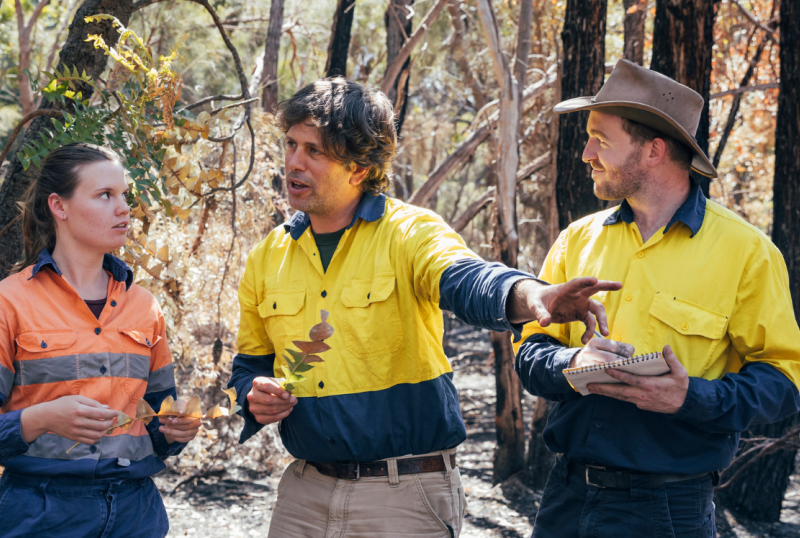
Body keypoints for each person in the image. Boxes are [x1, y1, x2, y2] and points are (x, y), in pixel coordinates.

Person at [227, 78, 620, 538]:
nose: (293, 161)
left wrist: (533, 296)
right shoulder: (267, 256)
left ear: (358, 167)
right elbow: (248, 366)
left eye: (314, 151)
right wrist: (253, 394)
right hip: (302, 495)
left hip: (403, 495)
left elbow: (466, 279)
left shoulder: (409, 233)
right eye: (291, 144)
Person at [515, 59, 800, 538]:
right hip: (565, 501)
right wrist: (572, 363)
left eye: (602, 140)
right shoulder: (577, 241)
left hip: (668, 510)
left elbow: (787, 382)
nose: (586, 152)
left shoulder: (746, 252)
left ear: (654, 150)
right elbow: (529, 354)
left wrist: (691, 397)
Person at [0, 143, 201, 537]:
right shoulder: (4, 303)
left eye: (124, 196)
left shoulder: (145, 307)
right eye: (104, 196)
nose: (124, 209)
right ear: (58, 207)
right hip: (39, 515)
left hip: (136, 515)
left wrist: (172, 429)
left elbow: (154, 428)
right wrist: (41, 419)